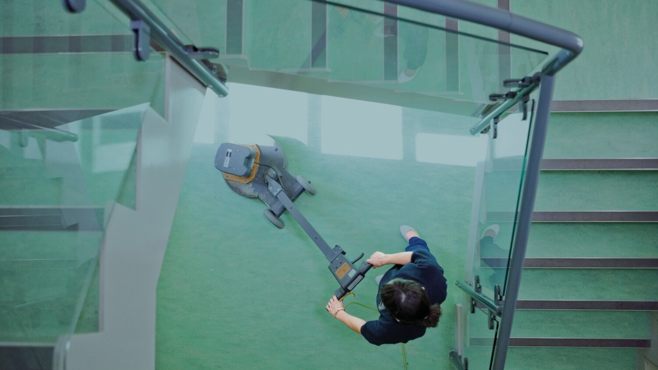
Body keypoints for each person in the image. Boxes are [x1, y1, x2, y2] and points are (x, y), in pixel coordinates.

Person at [325, 225, 447, 345]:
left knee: (388, 280)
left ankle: (387, 281)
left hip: (404, 280)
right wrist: (385, 259)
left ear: (396, 318)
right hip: (412, 268)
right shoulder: (431, 272)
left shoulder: (391, 330)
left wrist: (338, 313)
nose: (391, 283)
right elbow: (415, 255)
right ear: (420, 289)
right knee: (419, 248)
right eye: (398, 283)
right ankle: (413, 237)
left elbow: (364, 328)